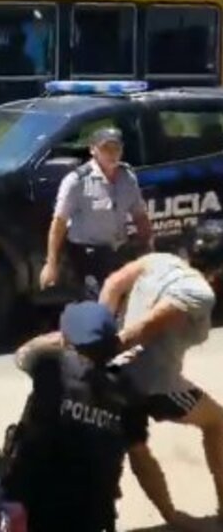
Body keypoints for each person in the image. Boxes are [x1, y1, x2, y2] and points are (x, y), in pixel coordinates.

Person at [99, 222, 223, 528]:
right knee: (218, 421)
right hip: (154, 384)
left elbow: (114, 283)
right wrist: (105, 348)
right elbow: (147, 327)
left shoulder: (158, 260)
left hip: (114, 376)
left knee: (136, 445)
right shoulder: (199, 292)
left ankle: (170, 516)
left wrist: (99, 334)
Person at [3, 301, 151, 532]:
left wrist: (60, 339)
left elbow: (23, 354)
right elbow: (142, 459)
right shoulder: (129, 392)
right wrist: (171, 515)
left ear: (65, 340)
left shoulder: (50, 367)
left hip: (37, 508)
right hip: (93, 515)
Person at [40, 127, 153, 295]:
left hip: (117, 253)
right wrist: (51, 264)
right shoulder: (77, 181)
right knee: (95, 305)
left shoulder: (127, 178)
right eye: (106, 148)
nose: (112, 154)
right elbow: (59, 224)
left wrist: (149, 249)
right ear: (93, 150)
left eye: (116, 149)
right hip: (88, 257)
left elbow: (140, 216)